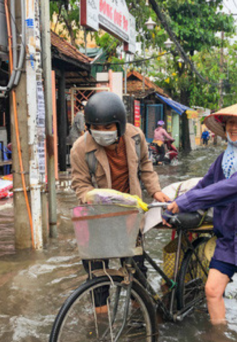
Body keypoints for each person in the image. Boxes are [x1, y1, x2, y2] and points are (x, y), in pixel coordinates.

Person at [166, 99, 237, 337]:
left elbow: (231, 187)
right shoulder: (224, 159)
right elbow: (204, 185)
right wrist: (173, 206)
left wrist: (187, 203)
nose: (234, 127)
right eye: (230, 122)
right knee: (211, 291)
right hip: (229, 235)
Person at [71, 92, 171, 312]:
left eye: (109, 127)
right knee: (96, 274)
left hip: (129, 215)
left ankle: (141, 315)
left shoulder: (136, 138)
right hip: (98, 216)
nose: (102, 132)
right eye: (97, 127)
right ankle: (101, 323)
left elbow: (146, 168)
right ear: (88, 127)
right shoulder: (80, 148)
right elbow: (80, 184)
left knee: (136, 269)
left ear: (120, 125)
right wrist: (92, 197)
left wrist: (156, 191)